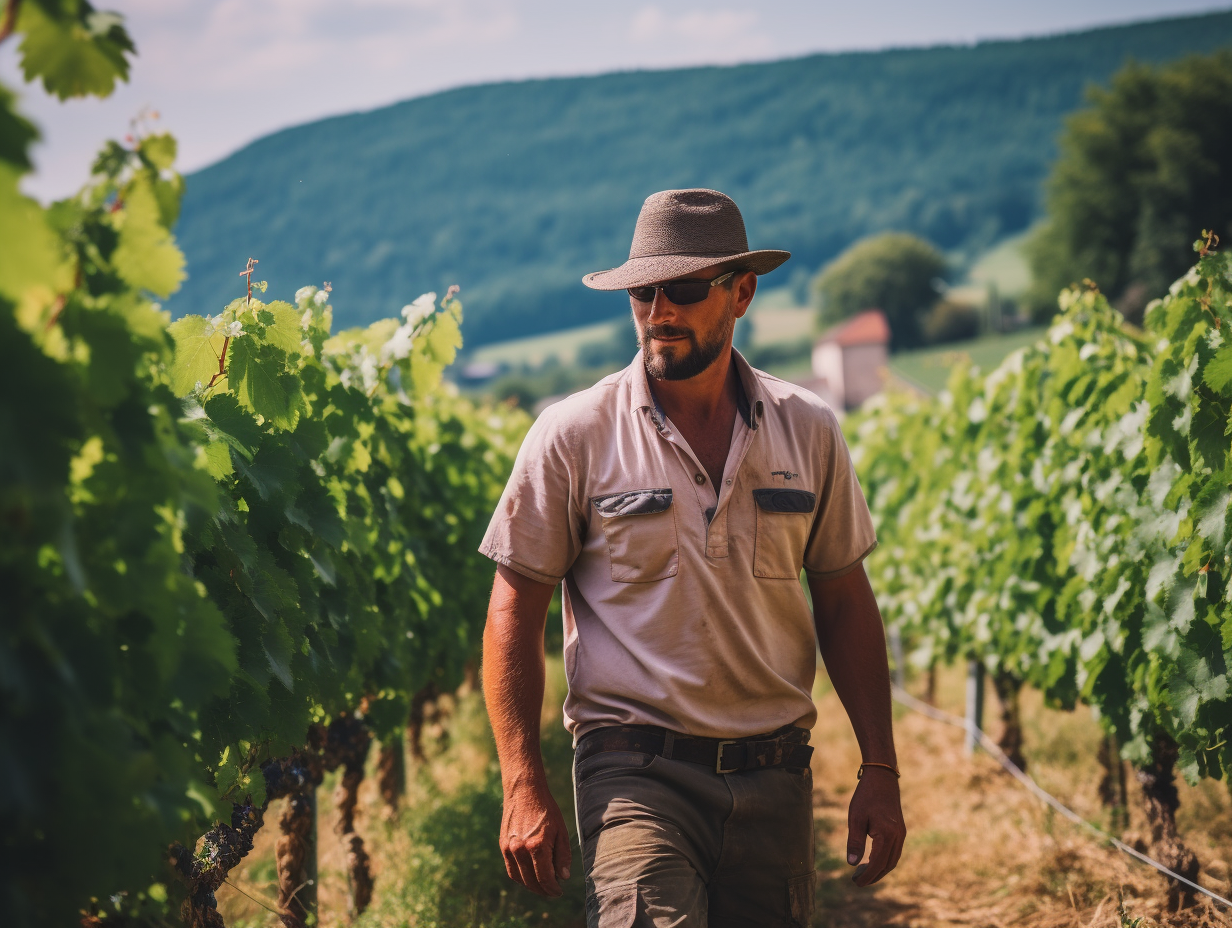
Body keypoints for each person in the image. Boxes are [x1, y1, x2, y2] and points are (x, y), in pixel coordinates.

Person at [480, 188, 905, 927]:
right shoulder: (572, 434)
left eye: (680, 290)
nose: (658, 311)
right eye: (643, 292)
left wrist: (881, 768)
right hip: (633, 774)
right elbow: (513, 610)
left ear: (741, 292)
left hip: (777, 777)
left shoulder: (808, 430)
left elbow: (843, 599)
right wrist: (522, 781)